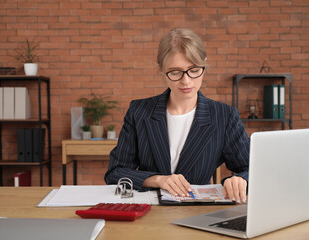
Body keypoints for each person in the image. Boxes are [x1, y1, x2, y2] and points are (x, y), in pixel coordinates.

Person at [104, 28, 250, 203]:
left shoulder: (224, 116)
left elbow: (252, 168)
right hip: (149, 212)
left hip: (198, 211)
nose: (186, 81)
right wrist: (158, 179)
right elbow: (115, 172)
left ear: (204, 63)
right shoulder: (139, 111)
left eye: (194, 70)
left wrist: (239, 180)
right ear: (162, 71)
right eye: (175, 72)